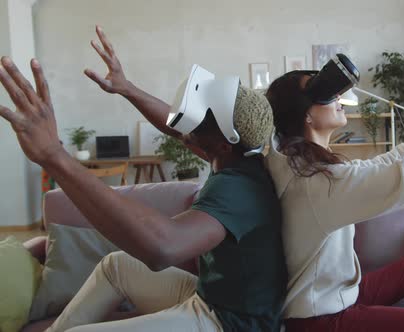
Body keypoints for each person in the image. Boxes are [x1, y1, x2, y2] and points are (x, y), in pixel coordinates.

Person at [0, 25, 286, 332]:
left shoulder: (238, 188)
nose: (187, 122)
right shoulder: (238, 155)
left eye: (200, 117)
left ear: (221, 143)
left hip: (228, 323)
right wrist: (126, 88)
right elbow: (175, 124)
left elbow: (162, 249)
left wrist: (54, 156)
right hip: (215, 298)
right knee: (115, 267)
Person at [263, 43, 404, 332]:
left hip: (336, 296)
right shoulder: (316, 182)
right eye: (324, 93)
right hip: (321, 321)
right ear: (305, 116)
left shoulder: (299, 165)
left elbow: (372, 168)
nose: (338, 96)